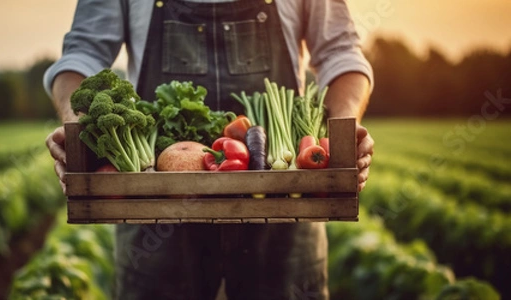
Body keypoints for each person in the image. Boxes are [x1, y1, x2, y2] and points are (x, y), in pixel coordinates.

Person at [45, 0, 374, 299]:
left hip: (285, 205)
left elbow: (341, 54)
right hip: (155, 209)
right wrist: (79, 125)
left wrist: (341, 132)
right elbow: (81, 55)